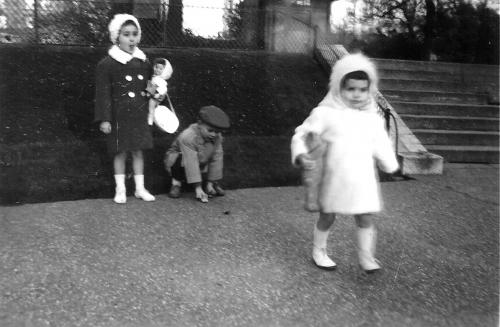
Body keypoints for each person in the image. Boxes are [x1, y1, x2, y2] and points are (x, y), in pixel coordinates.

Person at [291, 53, 399, 273]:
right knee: (328, 215)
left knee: (365, 216)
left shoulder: (372, 119)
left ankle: (366, 257)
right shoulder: (325, 114)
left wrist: (389, 163)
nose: (357, 95)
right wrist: (301, 154)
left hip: (363, 178)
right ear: (339, 88)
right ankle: (319, 251)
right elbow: (302, 134)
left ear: (369, 90)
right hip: (334, 176)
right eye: (351, 89)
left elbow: (381, 142)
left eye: (362, 89)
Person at [94, 14, 156, 204]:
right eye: (126, 34)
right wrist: (105, 119)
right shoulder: (107, 64)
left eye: (135, 34)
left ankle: (139, 188)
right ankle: (120, 189)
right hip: (119, 116)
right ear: (116, 37)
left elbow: (149, 85)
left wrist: (154, 94)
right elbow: (103, 93)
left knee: (138, 151)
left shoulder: (143, 62)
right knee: (120, 152)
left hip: (139, 115)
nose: (131, 39)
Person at [164, 105, 230, 203]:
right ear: (199, 124)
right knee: (178, 159)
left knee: (214, 155)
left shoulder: (217, 137)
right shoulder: (188, 136)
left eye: (217, 132)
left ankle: (212, 184)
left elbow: (217, 159)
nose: (214, 134)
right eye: (210, 130)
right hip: (180, 160)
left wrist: (210, 183)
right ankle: (176, 184)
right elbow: (191, 162)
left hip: (200, 158)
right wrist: (198, 188)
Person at [145, 58, 173, 126]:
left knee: (151, 108)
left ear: (164, 71)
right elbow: (151, 85)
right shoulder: (154, 77)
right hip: (152, 93)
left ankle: (150, 121)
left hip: (155, 96)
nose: (157, 70)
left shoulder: (160, 80)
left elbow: (163, 89)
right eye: (156, 67)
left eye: (160, 69)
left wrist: (158, 94)